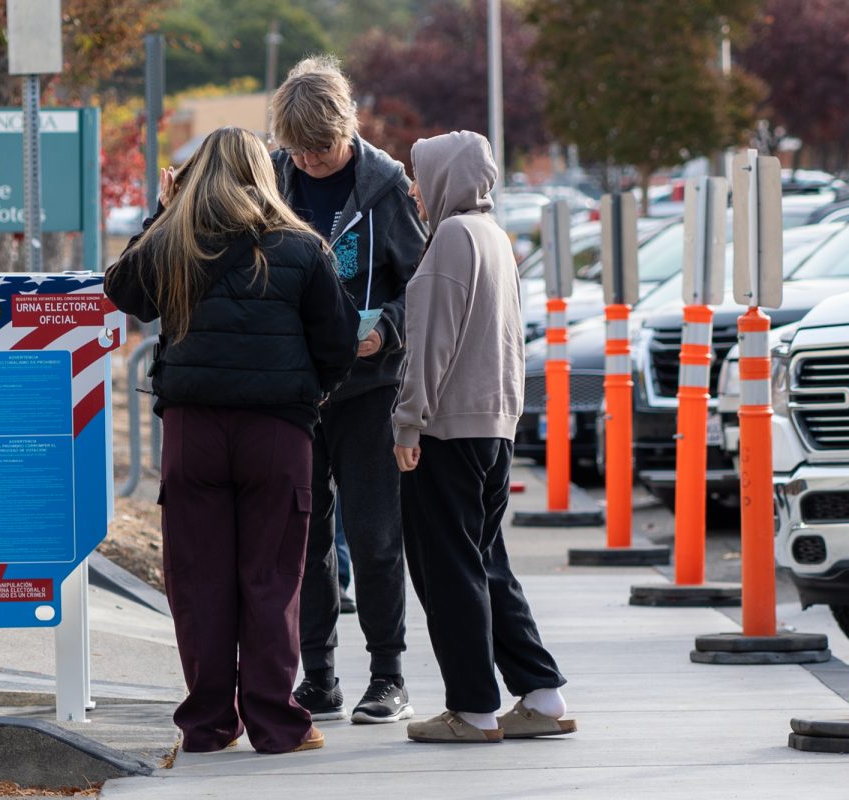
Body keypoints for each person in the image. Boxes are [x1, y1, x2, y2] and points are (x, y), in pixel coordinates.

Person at [104, 126, 359, 754]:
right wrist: (309, 394)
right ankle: (276, 724)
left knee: (199, 579)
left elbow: (123, 290)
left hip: (193, 430)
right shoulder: (302, 246)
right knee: (272, 578)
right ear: (264, 173)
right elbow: (339, 342)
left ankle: (208, 722)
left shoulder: (176, 242)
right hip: (277, 432)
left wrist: (162, 214)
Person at [392, 130, 576, 743]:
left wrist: (407, 421)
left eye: (421, 175)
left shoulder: (449, 239)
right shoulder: (495, 238)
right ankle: (541, 693)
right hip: (494, 428)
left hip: (447, 429)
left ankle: (471, 708)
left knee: (447, 572)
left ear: (446, 177)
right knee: (487, 564)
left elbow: (430, 345)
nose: (415, 189)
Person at [270, 55, 428, 724]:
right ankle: (319, 677)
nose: (308, 161)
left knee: (373, 537)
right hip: (297, 391)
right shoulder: (273, 179)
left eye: (320, 149)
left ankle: (388, 675)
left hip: (368, 390)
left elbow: (423, 285)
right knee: (303, 538)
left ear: (347, 129)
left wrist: (386, 329)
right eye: (297, 150)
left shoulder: (387, 186)